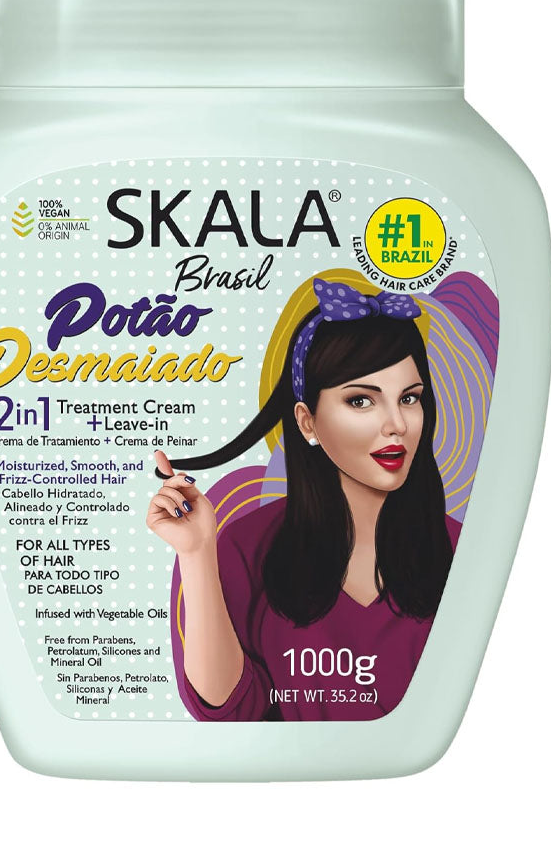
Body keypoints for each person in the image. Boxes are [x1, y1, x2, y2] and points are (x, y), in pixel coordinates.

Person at [147, 277, 459, 721]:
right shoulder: (243, 548)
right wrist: (196, 553)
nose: (398, 424)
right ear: (307, 421)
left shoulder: (465, 550)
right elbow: (228, 711)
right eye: (361, 401)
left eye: (409, 398)